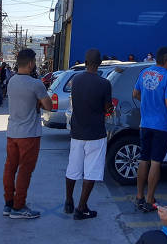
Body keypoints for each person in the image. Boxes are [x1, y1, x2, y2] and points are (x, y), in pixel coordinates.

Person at [133, 46, 167, 212]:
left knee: (143, 159)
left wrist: (148, 103)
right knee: (155, 162)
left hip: (145, 124)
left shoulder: (144, 73)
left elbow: (135, 93)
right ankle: (149, 200)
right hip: (162, 126)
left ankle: (139, 196)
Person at [2, 48, 52, 219]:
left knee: (10, 168)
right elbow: (49, 106)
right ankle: (19, 206)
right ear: (31, 63)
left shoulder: (11, 81)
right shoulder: (35, 84)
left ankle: (9, 204)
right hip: (29, 134)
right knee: (25, 170)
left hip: (12, 132)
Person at [64, 48, 113, 220]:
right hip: (96, 133)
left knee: (73, 168)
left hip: (77, 131)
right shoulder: (104, 84)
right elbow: (108, 109)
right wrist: (111, 108)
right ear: (99, 63)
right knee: (91, 172)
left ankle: (68, 200)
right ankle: (81, 207)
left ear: (85, 62)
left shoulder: (75, 80)